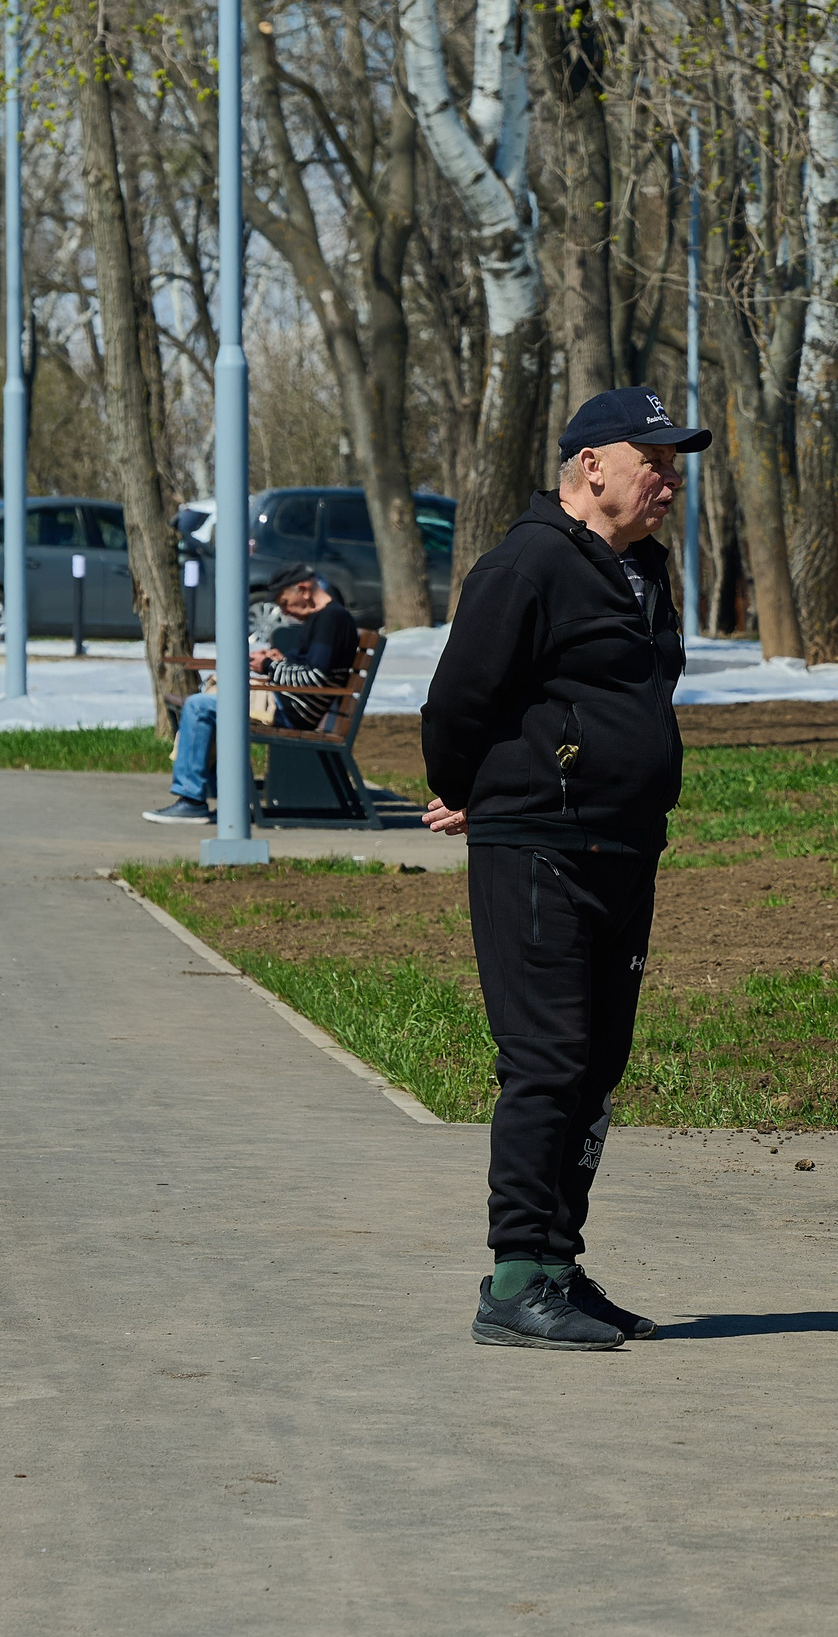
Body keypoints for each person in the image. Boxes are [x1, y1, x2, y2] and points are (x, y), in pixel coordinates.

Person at [420, 386, 710, 1351]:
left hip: (625, 846)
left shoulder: (643, 572)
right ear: (593, 465)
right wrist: (479, 788)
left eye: (675, 461)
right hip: (540, 846)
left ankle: (555, 1264)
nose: (668, 478)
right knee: (545, 1061)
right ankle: (511, 1278)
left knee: (596, 1068)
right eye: (653, 458)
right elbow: (459, 697)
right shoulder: (528, 563)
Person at [142, 571, 354, 825]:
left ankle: (192, 800)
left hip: (291, 711)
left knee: (199, 706)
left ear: (303, 589)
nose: (285, 612)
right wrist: (279, 660)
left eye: (285, 602)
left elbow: (315, 678)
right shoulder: (323, 618)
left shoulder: (332, 620)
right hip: (286, 702)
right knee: (211, 694)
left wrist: (268, 666)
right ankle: (216, 794)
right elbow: (310, 668)